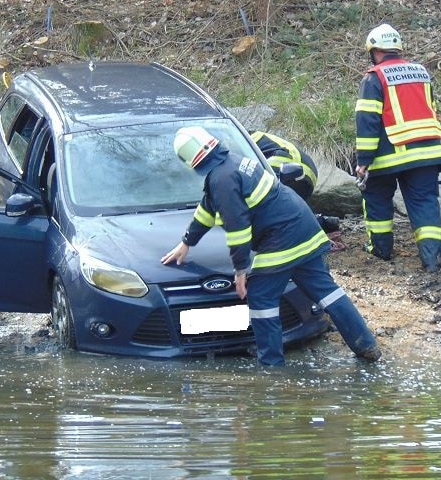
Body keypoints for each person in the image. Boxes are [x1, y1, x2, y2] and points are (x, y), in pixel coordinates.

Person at [161, 126, 381, 366]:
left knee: (261, 296)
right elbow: (207, 208)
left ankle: (271, 365)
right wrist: (186, 242)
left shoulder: (221, 178)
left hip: (281, 238)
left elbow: (238, 230)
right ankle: (366, 345)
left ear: (190, 161)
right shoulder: (231, 163)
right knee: (327, 292)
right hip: (304, 227)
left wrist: (241, 269)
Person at [354, 23, 441, 272]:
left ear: (374, 50)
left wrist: (364, 160)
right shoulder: (421, 73)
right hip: (428, 153)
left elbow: (367, 120)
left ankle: (381, 251)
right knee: (425, 202)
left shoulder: (374, 77)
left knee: (376, 198)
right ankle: (432, 260)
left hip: (390, 154)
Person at [249, 130, 341, 236]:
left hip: (290, 164)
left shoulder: (232, 139)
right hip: (305, 168)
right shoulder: (241, 133)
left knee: (266, 205)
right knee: (286, 209)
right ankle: (321, 222)